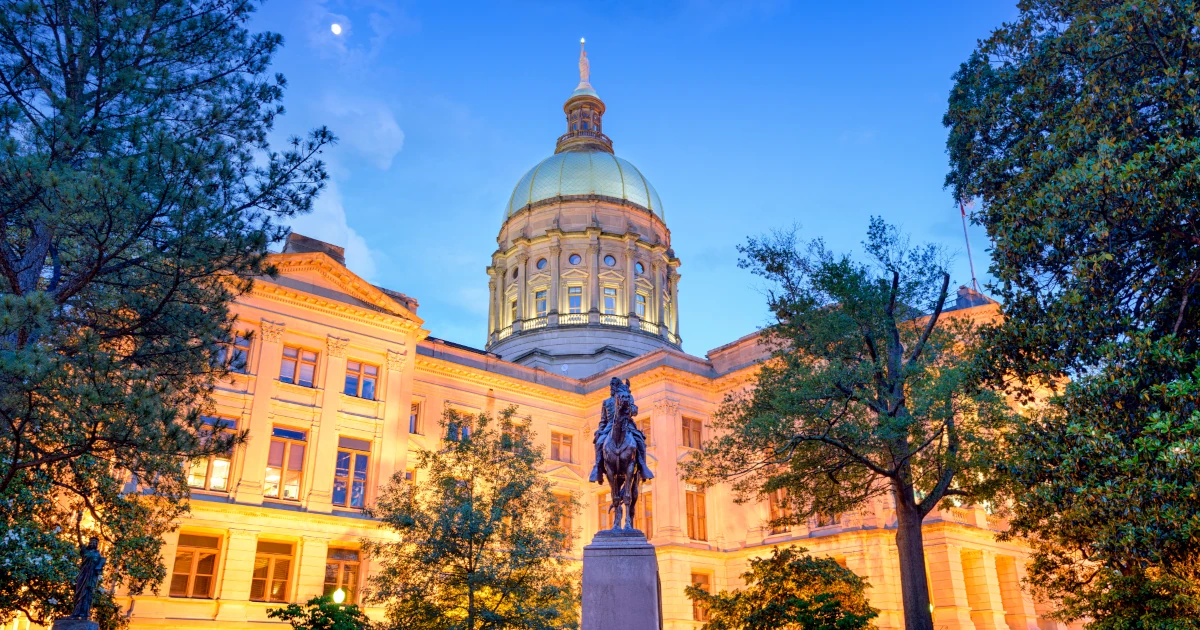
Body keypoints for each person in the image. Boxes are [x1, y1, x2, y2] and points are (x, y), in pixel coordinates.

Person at [589, 377, 654, 484]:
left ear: (617, 386)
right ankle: (598, 468)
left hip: (627, 425)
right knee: (600, 442)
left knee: (640, 441)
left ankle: (643, 466)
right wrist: (600, 431)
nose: (611, 388)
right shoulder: (606, 402)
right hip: (609, 427)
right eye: (611, 386)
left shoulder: (627, 397)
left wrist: (628, 406)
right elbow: (603, 420)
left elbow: (634, 411)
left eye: (613, 385)